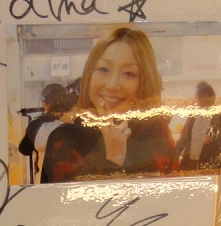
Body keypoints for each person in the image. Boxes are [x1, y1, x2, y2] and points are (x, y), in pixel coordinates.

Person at [74, 27, 177, 176]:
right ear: (89, 73)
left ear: (144, 83)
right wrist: (113, 158)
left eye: (128, 74)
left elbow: (174, 190)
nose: (113, 85)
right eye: (103, 69)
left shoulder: (159, 138)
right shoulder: (65, 139)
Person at [18, 87, 74, 183]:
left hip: (46, 178)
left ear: (46, 104)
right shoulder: (73, 121)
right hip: (73, 175)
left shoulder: (37, 124)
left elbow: (24, 149)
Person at [175, 81, 221, 171]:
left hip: (207, 164)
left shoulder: (219, 117)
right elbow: (183, 139)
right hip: (188, 163)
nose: (195, 100)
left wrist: (212, 139)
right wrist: (174, 157)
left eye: (196, 97)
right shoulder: (193, 116)